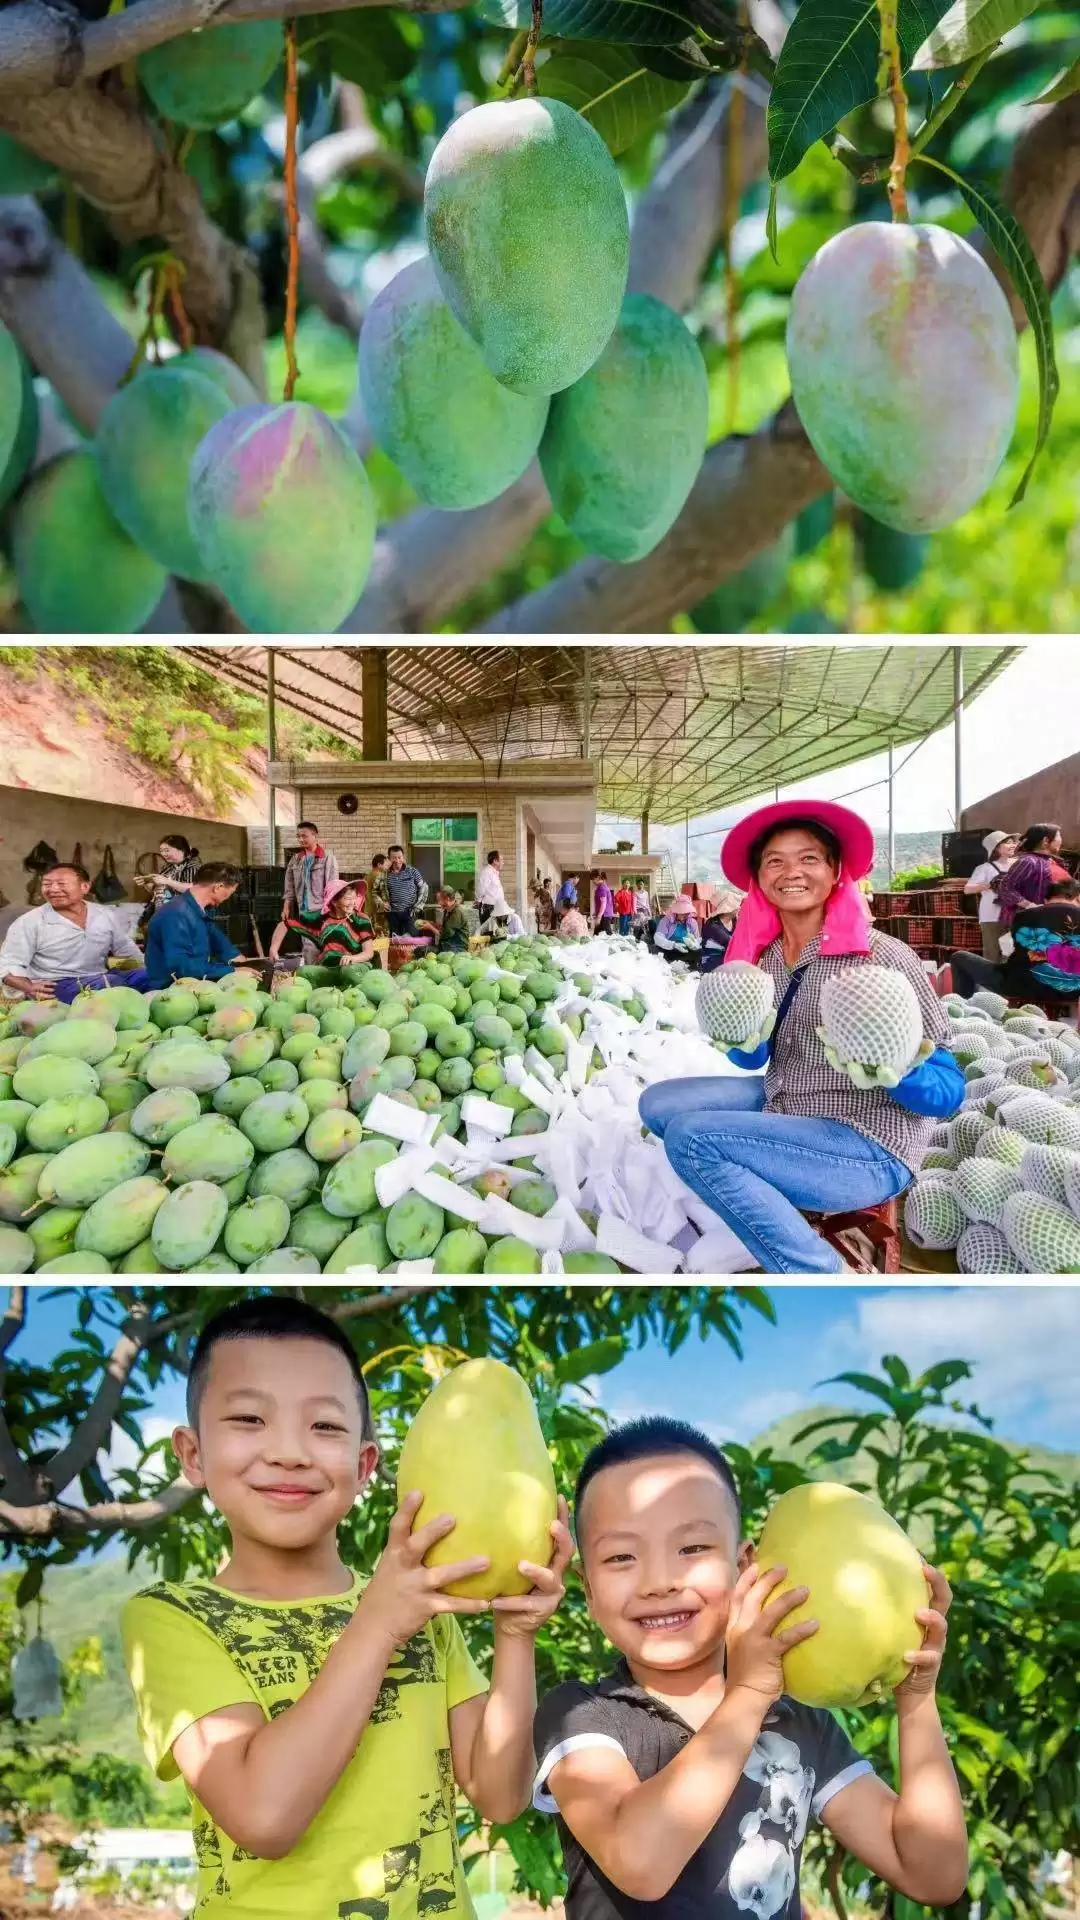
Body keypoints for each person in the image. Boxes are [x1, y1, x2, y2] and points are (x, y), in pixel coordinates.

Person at [121, 1296, 572, 1919]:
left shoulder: (418, 1607)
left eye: (325, 1426)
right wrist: (380, 1624)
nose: (288, 1452)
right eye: (250, 1419)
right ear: (193, 1455)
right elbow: (264, 1815)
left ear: (365, 1466)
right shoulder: (172, 1617)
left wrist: (516, 1636)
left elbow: (499, 1797)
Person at [533, 1417, 966, 1920]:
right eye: (622, 1556)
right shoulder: (582, 1717)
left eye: (692, 1548)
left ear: (745, 1568)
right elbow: (640, 1863)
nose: (659, 1581)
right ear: (587, 1589)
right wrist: (748, 1694)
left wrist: (915, 1699)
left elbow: (934, 1874)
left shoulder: (799, 1726)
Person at [639, 801, 963, 1274]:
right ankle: (768, 1183)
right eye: (775, 860)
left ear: (836, 872)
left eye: (809, 858)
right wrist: (745, 1042)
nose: (791, 871)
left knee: (692, 1140)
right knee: (657, 1105)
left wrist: (901, 1071)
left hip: (867, 1141)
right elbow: (758, 1061)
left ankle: (816, 1273)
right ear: (758, 879)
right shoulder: (767, 960)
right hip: (791, 1100)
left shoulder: (882, 958)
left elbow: (949, 1091)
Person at [0, 863, 147, 1001]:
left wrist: (150, 967)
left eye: (61, 884)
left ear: (85, 887)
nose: (53, 889)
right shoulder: (30, 921)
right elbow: (7, 963)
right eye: (47, 884)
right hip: (56, 983)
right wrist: (28, 986)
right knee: (112, 984)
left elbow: (124, 947)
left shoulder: (103, 914)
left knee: (150, 976)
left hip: (99, 976)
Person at [950, 878, 1080, 1008]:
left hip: (1022, 987)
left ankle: (963, 1011)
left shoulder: (1025, 916)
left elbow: (1019, 950)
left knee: (959, 957)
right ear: (1077, 897)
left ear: (1046, 900)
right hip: (1074, 991)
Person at [143, 864, 244, 991]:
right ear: (218, 887)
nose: (229, 897)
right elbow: (180, 966)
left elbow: (215, 936)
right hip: (170, 990)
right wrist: (231, 970)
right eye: (232, 892)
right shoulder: (175, 914)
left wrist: (234, 957)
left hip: (195, 984)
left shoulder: (197, 909)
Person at [269, 878, 374, 965]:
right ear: (334, 901)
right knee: (304, 973)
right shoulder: (320, 919)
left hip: (356, 966)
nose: (353, 903)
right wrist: (273, 949)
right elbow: (285, 924)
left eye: (354, 898)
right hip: (328, 968)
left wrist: (352, 959)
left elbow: (368, 952)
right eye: (348, 898)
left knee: (348, 973)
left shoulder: (361, 919)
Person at [281, 823, 340, 964]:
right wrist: (286, 906)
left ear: (315, 836)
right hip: (304, 911)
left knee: (327, 944)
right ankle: (311, 975)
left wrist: (331, 910)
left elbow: (333, 887)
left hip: (322, 910)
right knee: (308, 946)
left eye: (304, 836)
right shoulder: (295, 860)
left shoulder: (327, 857)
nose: (301, 839)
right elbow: (289, 887)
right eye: (298, 836)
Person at [997, 823, 1069, 926]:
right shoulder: (1028, 861)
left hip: (1050, 921)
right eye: (1058, 836)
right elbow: (1005, 887)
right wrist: (1030, 905)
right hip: (1031, 925)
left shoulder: (1051, 861)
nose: (1061, 840)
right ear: (1045, 841)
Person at [963, 830, 1018, 961]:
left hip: (1015, 914)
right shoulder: (985, 868)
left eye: (1013, 842)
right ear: (996, 848)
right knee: (993, 953)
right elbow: (967, 889)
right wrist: (989, 885)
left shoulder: (1018, 864)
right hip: (992, 916)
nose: (1013, 845)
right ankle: (991, 981)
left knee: (1014, 952)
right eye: (1007, 843)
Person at [136, 835, 202, 918]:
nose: (163, 854)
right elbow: (160, 892)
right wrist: (147, 882)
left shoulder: (192, 865)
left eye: (167, 850)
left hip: (181, 915)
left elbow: (193, 891)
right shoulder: (168, 866)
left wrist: (167, 881)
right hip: (163, 912)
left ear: (181, 849)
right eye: (161, 851)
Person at [384, 844, 428, 937]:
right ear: (389, 858)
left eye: (399, 857)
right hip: (392, 914)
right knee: (394, 941)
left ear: (403, 857)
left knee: (412, 937)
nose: (397, 860)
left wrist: (418, 906)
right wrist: (382, 903)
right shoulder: (384, 875)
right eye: (394, 858)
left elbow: (424, 888)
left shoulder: (412, 871)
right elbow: (377, 892)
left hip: (410, 912)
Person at [699, 891, 742, 974]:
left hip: (728, 962)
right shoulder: (713, 926)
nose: (739, 908)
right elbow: (731, 943)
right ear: (728, 909)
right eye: (736, 906)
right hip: (712, 965)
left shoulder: (734, 921)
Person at [418, 887, 470, 953]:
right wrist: (432, 923)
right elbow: (444, 928)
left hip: (456, 948)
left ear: (447, 899)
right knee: (419, 950)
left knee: (421, 951)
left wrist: (430, 927)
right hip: (446, 946)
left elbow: (445, 934)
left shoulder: (457, 912)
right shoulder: (447, 909)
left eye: (439, 900)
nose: (438, 903)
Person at [475, 851, 510, 929]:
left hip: (497, 907)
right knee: (489, 933)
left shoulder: (494, 873)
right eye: (501, 860)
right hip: (488, 908)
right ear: (495, 861)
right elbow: (480, 890)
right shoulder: (487, 872)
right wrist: (479, 901)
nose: (503, 863)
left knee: (499, 932)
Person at [364, 853, 390, 938]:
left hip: (368, 910)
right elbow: (383, 894)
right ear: (379, 865)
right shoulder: (379, 875)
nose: (387, 867)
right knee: (382, 937)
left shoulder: (368, 875)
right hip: (378, 912)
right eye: (385, 865)